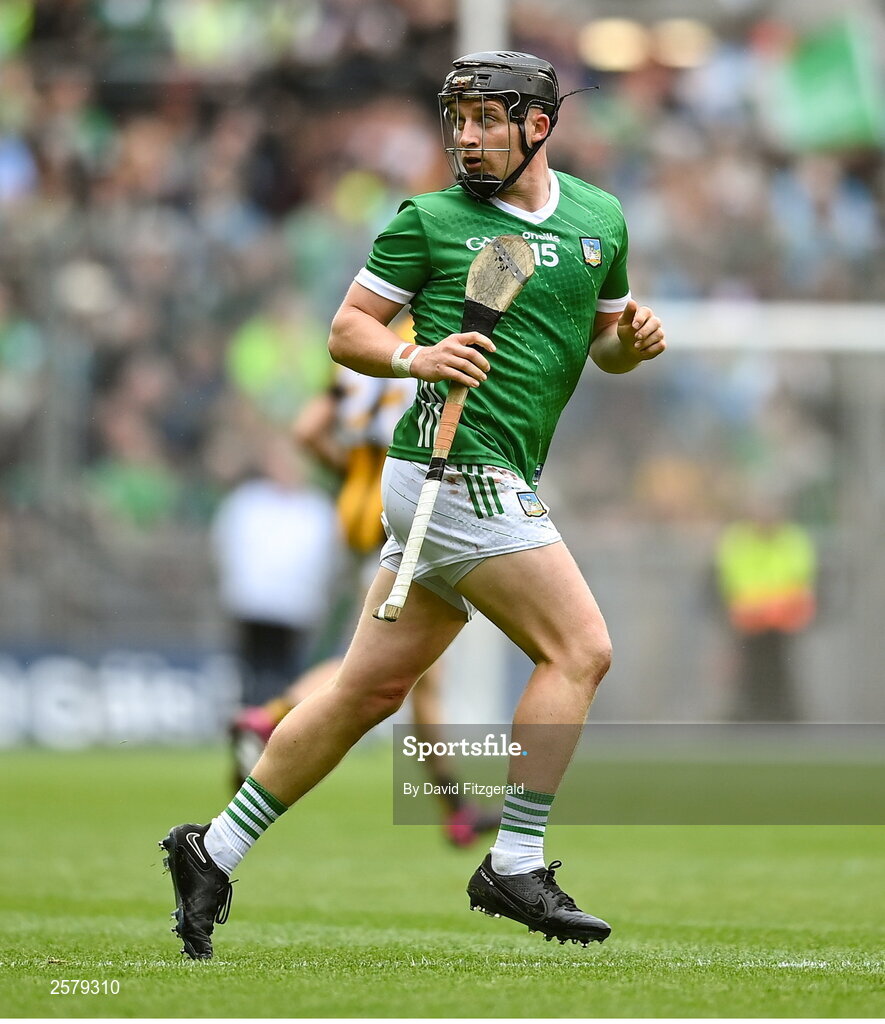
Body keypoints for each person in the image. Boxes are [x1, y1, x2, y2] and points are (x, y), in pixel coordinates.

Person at [160, 50, 666, 959]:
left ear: (537, 125)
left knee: (367, 691)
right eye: (458, 120)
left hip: (476, 477)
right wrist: (412, 358)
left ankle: (212, 849)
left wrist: (632, 341)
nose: (466, 138)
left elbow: (606, 348)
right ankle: (513, 860)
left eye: (486, 121)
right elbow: (347, 330)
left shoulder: (601, 218)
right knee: (580, 649)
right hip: (452, 469)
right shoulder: (428, 221)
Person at [230, 351, 498, 846]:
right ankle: (271, 716)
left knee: (411, 674)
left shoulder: (360, 354)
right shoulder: (432, 340)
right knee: (387, 668)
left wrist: (353, 473)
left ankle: (454, 808)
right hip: (413, 513)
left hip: (364, 515)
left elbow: (309, 430)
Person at [210, 431, 339, 706]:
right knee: (252, 668)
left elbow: (323, 558)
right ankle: (250, 720)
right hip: (252, 603)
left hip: (295, 606)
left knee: (285, 669)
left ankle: (275, 723)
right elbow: (227, 545)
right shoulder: (247, 501)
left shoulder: (317, 508)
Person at [715, 494, 817, 720]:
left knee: (783, 674)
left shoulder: (793, 539)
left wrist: (767, 607)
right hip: (748, 625)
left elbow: (799, 583)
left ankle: (786, 720)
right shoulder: (738, 539)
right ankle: (746, 722)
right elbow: (731, 584)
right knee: (747, 677)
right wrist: (765, 606)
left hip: (783, 625)